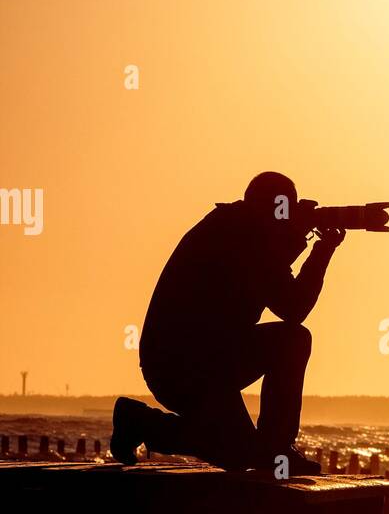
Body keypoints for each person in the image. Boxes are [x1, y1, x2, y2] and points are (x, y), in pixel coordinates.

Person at [110, 172, 344, 472]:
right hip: (185, 368)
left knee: (240, 453)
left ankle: (141, 422)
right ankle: (274, 452)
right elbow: (293, 307)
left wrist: (312, 246)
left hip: (207, 363)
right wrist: (319, 249)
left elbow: (282, 294)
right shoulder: (244, 237)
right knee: (293, 340)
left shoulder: (239, 228)